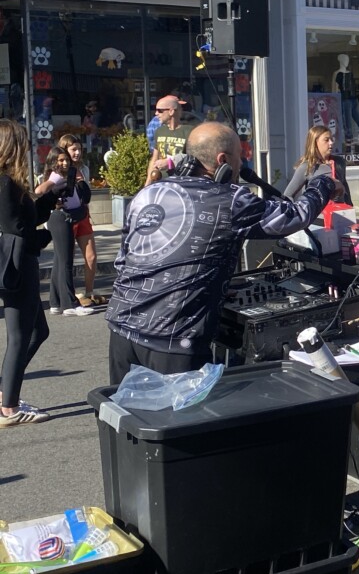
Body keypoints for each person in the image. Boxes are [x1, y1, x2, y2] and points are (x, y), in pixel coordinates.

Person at [108, 122, 343, 382]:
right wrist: (324, 184)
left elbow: (124, 261)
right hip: (175, 340)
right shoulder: (228, 199)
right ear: (222, 160)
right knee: (179, 421)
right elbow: (294, 217)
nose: (241, 166)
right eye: (238, 158)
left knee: (125, 415)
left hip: (121, 330)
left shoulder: (147, 194)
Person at [0, 120, 62, 426]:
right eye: (22, 143)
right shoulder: (4, 184)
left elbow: (25, 219)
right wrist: (48, 235)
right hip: (17, 264)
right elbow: (19, 232)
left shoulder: (10, 182)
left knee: (38, 331)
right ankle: (8, 406)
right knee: (21, 335)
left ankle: (5, 392)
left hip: (20, 262)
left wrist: (50, 199)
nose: (27, 149)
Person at [39, 147, 94, 317]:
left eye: (66, 160)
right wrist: (53, 198)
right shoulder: (55, 176)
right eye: (60, 160)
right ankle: (70, 304)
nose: (64, 163)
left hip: (66, 218)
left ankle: (55, 302)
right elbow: (39, 190)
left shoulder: (69, 174)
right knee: (66, 262)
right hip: (61, 218)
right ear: (53, 162)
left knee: (59, 260)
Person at [58, 134, 102, 307]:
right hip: (66, 217)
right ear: (65, 150)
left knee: (91, 256)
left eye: (79, 149)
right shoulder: (58, 169)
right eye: (73, 149)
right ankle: (69, 295)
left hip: (83, 215)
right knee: (66, 259)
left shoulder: (83, 168)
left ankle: (89, 292)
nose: (77, 153)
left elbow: (86, 194)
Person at [284, 125, 338, 200]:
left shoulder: (339, 162)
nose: (331, 142)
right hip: (320, 211)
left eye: (331, 139)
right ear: (314, 143)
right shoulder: (307, 166)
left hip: (342, 210)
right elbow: (287, 195)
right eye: (326, 140)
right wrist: (300, 210)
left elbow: (345, 191)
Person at [147, 95, 194, 180]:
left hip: (181, 182)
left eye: (159, 110)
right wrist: (147, 185)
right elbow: (154, 158)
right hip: (161, 182)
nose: (156, 113)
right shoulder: (159, 131)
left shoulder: (189, 131)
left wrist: (169, 162)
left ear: (171, 111)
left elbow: (193, 158)